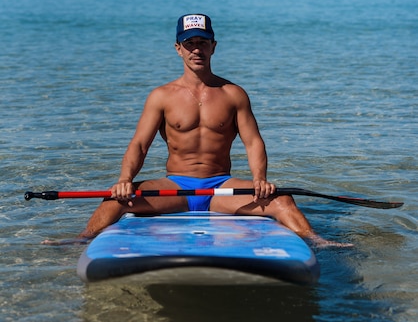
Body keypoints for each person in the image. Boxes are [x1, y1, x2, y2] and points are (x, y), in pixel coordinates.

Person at [44, 14, 348, 247]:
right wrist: (124, 180)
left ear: (213, 46)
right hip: (175, 188)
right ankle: (82, 240)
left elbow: (254, 143)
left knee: (282, 201)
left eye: (202, 42)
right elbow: (139, 145)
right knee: (114, 200)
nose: (196, 50)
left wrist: (260, 180)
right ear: (178, 49)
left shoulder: (233, 94)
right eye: (189, 44)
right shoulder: (161, 96)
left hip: (222, 189)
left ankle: (316, 242)